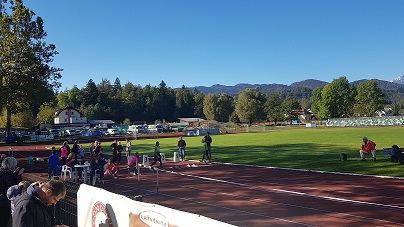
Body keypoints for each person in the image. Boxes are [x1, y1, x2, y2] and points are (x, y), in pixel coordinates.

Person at [0, 157, 23, 227]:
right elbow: (14, 188)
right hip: (5, 202)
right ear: (12, 166)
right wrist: (18, 176)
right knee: (3, 221)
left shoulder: (2, 172)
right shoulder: (9, 175)